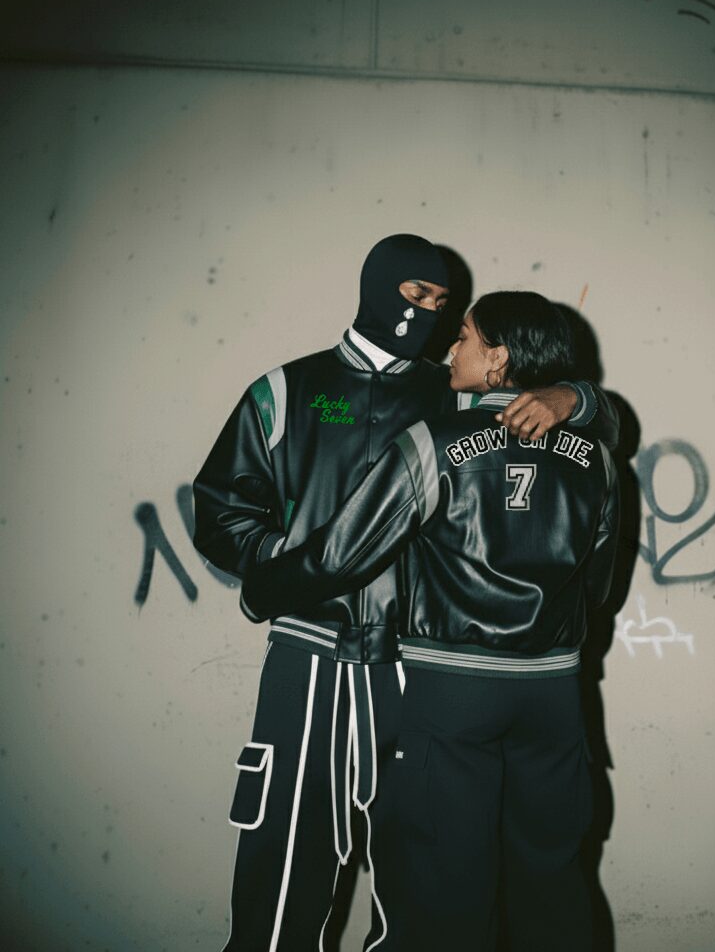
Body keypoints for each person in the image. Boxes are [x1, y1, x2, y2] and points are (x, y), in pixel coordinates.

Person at [192, 236, 618, 952]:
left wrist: (571, 395)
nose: (427, 315)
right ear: (376, 285)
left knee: (427, 881)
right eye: (416, 294)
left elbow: (592, 428)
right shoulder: (287, 388)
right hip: (311, 652)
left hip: (415, 664)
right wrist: (275, 569)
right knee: (286, 857)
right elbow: (220, 511)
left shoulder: (453, 394)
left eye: (443, 305)